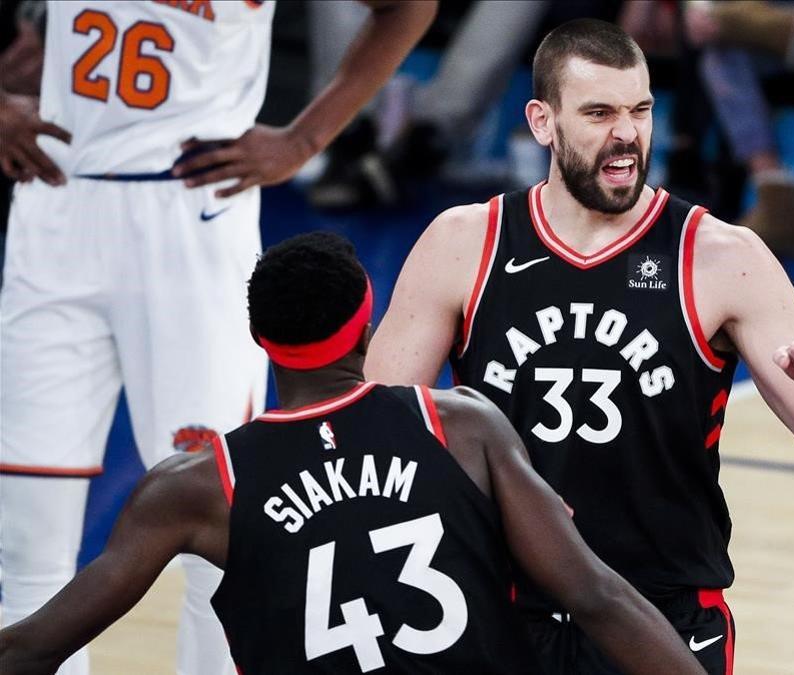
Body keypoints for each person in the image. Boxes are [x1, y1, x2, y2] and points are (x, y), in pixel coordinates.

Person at [364, 18, 794, 675]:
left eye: (640, 109)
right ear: (542, 121)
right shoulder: (465, 242)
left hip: (658, 620)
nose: (626, 134)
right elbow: (374, 440)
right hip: (501, 610)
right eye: (599, 112)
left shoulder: (723, 257)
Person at [0, 231, 707, 675]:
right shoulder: (460, 426)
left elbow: (33, 647)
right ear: (366, 328)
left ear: (261, 342)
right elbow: (596, 593)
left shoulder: (200, 485)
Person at [0, 2, 436, 674]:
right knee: (29, 546)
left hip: (191, 216)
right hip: (57, 205)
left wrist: (305, 139)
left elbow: (408, 8)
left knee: (218, 543)